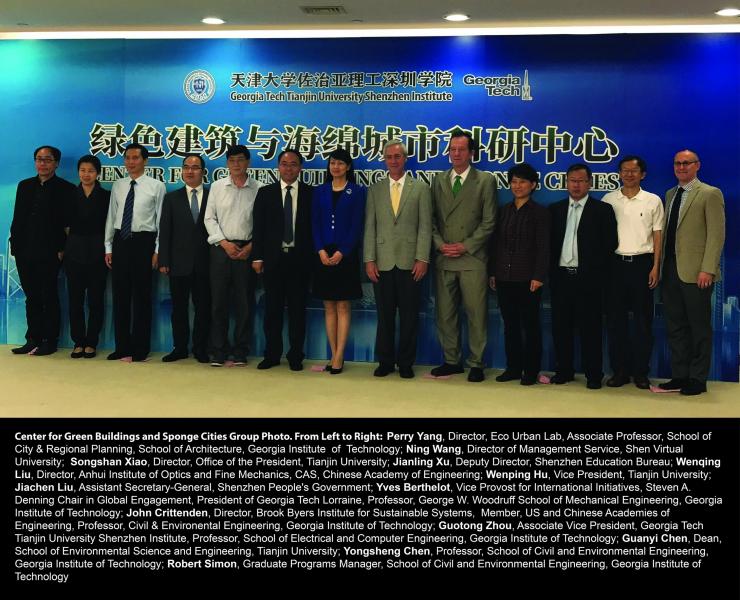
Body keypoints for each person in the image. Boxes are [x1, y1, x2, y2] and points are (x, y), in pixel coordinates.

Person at [430, 130, 496, 382]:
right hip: (445, 257)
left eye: (461, 149)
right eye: (452, 149)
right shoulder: (438, 180)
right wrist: (438, 244)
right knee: (445, 314)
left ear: (471, 153)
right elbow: (431, 219)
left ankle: (476, 362)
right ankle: (451, 360)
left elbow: (489, 222)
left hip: (472, 259)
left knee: (476, 314)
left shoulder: (485, 180)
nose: (455, 154)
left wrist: (466, 246)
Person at [658, 150, 725, 396]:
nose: (681, 167)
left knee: (698, 327)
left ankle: (697, 379)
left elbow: (717, 235)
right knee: (675, 327)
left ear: (697, 165)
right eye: (677, 163)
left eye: (687, 163)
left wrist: (708, 268)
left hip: (697, 273)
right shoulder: (670, 194)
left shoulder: (710, 193)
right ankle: (679, 376)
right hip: (671, 270)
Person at [364, 140, 432, 379]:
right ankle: (385, 361)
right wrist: (369, 260)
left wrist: (422, 258)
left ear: (405, 159)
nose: (393, 161)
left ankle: (405, 363)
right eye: (389, 157)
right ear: (384, 160)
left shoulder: (421, 188)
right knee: (384, 315)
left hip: (410, 262)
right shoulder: (375, 189)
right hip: (381, 262)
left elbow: (425, 226)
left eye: (397, 156)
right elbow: (369, 228)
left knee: (409, 316)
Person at [549, 163, 618, 389]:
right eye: (572, 180)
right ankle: (564, 370)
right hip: (561, 278)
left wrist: (596, 274)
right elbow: (548, 246)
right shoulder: (555, 210)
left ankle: (593, 374)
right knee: (561, 327)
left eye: (580, 180)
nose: (576, 185)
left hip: (589, 279)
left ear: (589, 183)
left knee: (591, 328)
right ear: (566, 182)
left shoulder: (602, 210)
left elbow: (610, 245)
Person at [602, 156, 664, 389]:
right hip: (615, 266)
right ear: (619, 174)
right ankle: (619, 371)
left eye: (634, 170)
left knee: (642, 323)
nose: (629, 174)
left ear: (643, 174)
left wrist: (656, 266)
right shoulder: (609, 200)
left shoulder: (652, 200)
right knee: (615, 322)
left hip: (642, 265)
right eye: (624, 170)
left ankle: (640, 373)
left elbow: (658, 235)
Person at [10, 145, 75, 356]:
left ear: (56, 163)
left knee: (49, 296)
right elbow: (18, 218)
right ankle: (33, 338)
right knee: (32, 296)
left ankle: (50, 340)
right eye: (39, 159)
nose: (42, 163)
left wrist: (61, 249)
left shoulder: (66, 188)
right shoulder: (24, 186)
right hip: (24, 250)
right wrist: (15, 245)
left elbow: (67, 223)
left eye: (47, 160)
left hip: (50, 252)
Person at [252, 149, 314, 371]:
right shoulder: (265, 193)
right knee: (272, 310)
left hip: (300, 260)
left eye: (294, 164)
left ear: (300, 168)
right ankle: (272, 354)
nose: (289, 168)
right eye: (285, 164)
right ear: (278, 166)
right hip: (273, 260)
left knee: (298, 311)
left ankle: (296, 355)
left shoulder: (310, 193)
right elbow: (258, 228)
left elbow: (314, 230)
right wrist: (257, 257)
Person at [488, 163, 549, 386]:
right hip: (504, 277)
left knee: (530, 326)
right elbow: (496, 245)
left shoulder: (540, 213)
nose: (517, 186)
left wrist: (538, 275)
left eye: (522, 181)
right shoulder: (503, 211)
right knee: (510, 325)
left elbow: (543, 247)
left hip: (528, 279)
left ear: (532, 185)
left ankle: (530, 371)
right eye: (514, 181)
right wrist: (493, 272)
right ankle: (513, 368)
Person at [104, 143, 165, 361]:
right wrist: (108, 247)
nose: (131, 162)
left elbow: (160, 221)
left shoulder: (156, 186)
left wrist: (157, 250)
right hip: (121, 242)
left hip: (144, 243)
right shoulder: (118, 185)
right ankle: (122, 347)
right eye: (127, 158)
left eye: (135, 158)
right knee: (120, 297)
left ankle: (140, 348)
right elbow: (112, 217)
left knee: (141, 297)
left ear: (145, 160)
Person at [203, 145, 262, 366]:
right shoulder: (218, 187)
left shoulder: (259, 188)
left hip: (246, 251)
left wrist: (251, 247)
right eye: (232, 160)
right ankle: (218, 350)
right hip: (221, 250)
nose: (236, 164)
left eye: (240, 160)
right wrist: (224, 243)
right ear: (227, 163)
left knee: (244, 304)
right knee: (218, 303)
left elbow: (264, 223)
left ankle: (240, 351)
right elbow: (209, 218)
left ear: (248, 162)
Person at [311, 149, 365, 374]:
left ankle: (340, 355)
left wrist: (343, 251)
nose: (336, 167)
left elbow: (357, 224)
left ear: (348, 167)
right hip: (323, 254)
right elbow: (314, 222)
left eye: (341, 164)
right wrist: (320, 250)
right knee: (328, 305)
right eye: (332, 163)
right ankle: (332, 353)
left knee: (343, 305)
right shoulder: (320, 191)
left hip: (346, 254)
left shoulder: (358, 191)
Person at [158, 154, 211, 363]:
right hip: (178, 263)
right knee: (178, 308)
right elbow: (165, 230)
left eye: (195, 167)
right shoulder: (172, 198)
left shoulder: (212, 196)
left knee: (203, 309)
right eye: (186, 167)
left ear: (203, 172)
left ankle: (200, 348)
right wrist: (164, 260)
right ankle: (179, 347)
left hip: (206, 263)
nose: (190, 171)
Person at [64, 155, 110, 359]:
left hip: (98, 253)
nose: (86, 174)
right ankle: (78, 341)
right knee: (75, 300)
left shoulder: (106, 196)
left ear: (97, 173)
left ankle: (91, 342)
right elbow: (64, 225)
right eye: (82, 170)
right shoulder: (69, 195)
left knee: (95, 301)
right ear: (78, 172)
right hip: (74, 253)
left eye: (90, 170)